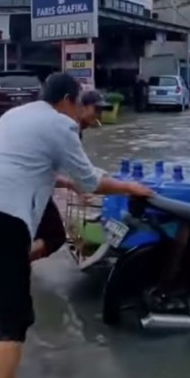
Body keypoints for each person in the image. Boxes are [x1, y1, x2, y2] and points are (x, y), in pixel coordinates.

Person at [0, 73, 153, 378]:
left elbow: (17, 160)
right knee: (13, 320)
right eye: (80, 106)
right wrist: (131, 189)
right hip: (3, 214)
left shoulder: (17, 114)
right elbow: (91, 182)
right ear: (70, 100)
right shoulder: (62, 124)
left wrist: (61, 180)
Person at [30, 89, 113, 263]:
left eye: (101, 111)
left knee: (36, 235)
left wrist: (75, 186)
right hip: (31, 186)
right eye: (96, 109)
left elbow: (60, 169)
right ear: (81, 107)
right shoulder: (68, 128)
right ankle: (13, 265)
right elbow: (80, 173)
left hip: (32, 184)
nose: (98, 115)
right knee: (55, 236)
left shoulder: (70, 128)